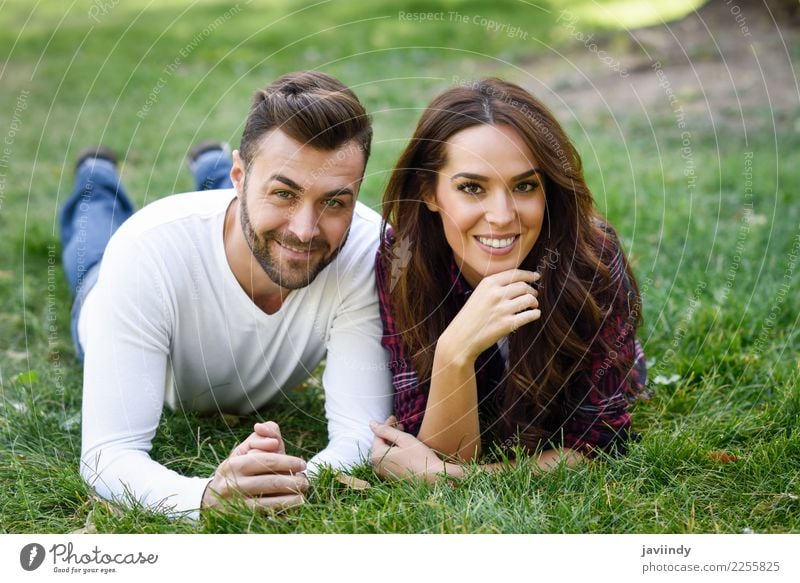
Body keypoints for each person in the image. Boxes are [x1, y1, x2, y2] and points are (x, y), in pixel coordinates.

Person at [59, 71, 392, 519]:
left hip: (229, 210)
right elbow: (108, 454)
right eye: (284, 192)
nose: (305, 229)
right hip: (112, 291)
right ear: (242, 175)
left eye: (335, 201)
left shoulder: (369, 253)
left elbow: (359, 431)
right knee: (93, 253)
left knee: (262, 226)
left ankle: (215, 165)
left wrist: (295, 483)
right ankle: (96, 175)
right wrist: (206, 498)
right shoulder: (145, 252)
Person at [370, 78, 647, 481]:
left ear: (547, 189)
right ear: (429, 192)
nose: (501, 215)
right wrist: (454, 353)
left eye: (524, 186)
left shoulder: (592, 260)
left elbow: (600, 445)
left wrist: (462, 479)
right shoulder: (403, 260)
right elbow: (433, 446)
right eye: (471, 187)